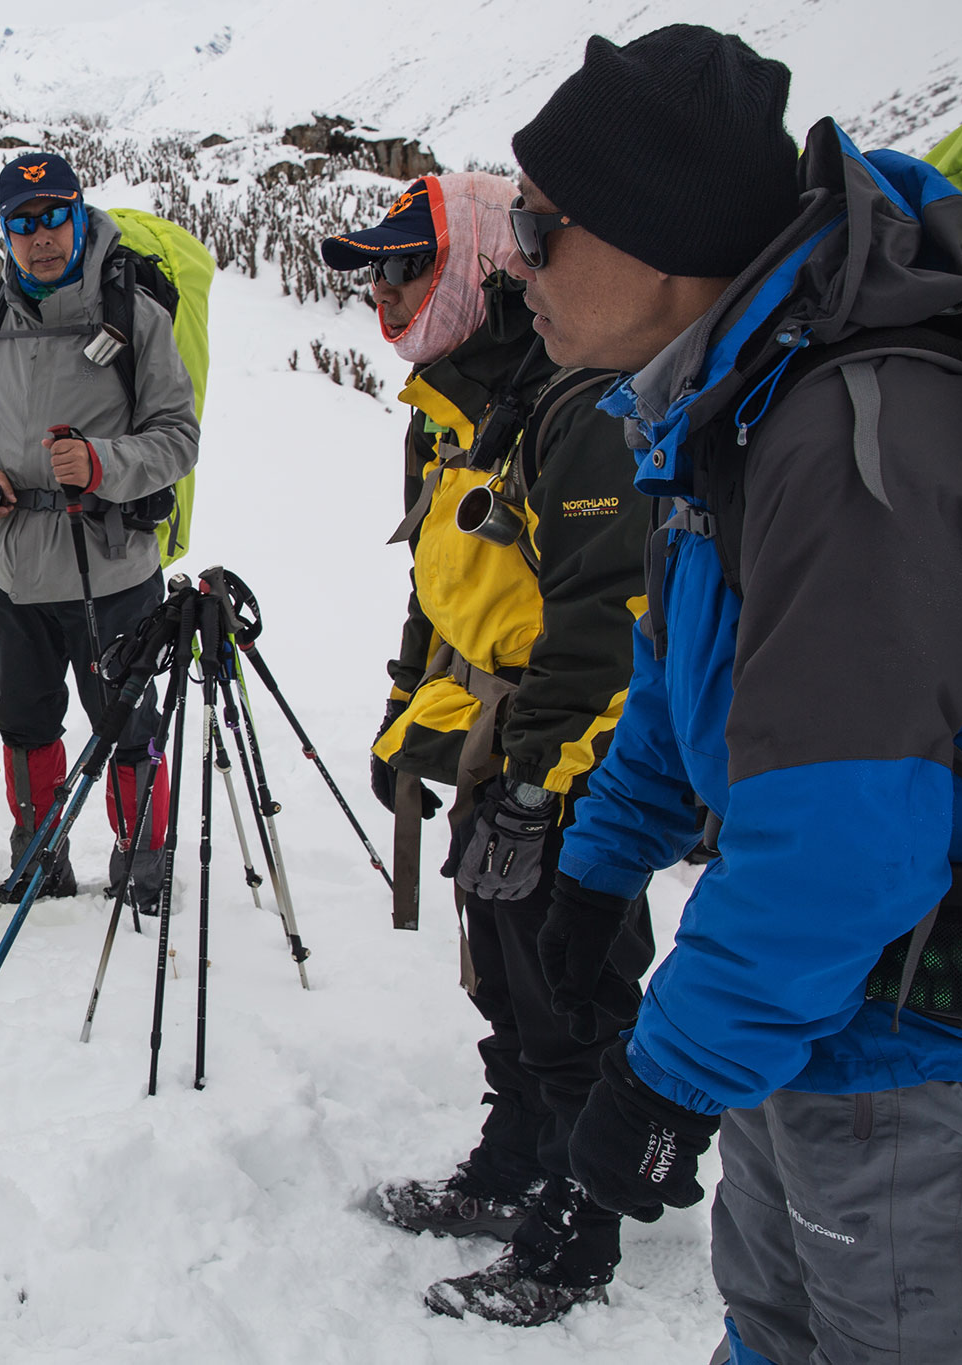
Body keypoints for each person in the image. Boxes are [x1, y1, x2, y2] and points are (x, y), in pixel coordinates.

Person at [509, 27, 962, 1364]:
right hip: (824, 1026)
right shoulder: (733, 405)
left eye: (543, 225)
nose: (518, 256)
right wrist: (602, 866)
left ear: (662, 240)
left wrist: (667, 1077)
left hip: (937, 1059)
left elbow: (844, 844)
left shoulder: (859, 441)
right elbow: (686, 684)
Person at [321, 173, 655, 1324]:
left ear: (474, 264)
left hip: (574, 756)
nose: (384, 290)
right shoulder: (451, 403)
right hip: (489, 740)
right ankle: (513, 1164)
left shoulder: (577, 407)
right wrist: (406, 705)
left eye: (404, 264)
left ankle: (578, 1224)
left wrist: (531, 784)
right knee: (507, 983)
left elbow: (606, 621)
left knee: (573, 985)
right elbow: (436, 578)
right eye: (373, 270)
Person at [0, 150, 199, 910]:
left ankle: (142, 860)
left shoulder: (135, 318)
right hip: (12, 567)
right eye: (23, 223)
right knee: (24, 720)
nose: (41, 235)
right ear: (5, 232)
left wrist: (101, 463)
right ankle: (41, 853)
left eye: (55, 217)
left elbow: (178, 436)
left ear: (79, 216)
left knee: (129, 723)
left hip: (112, 569)